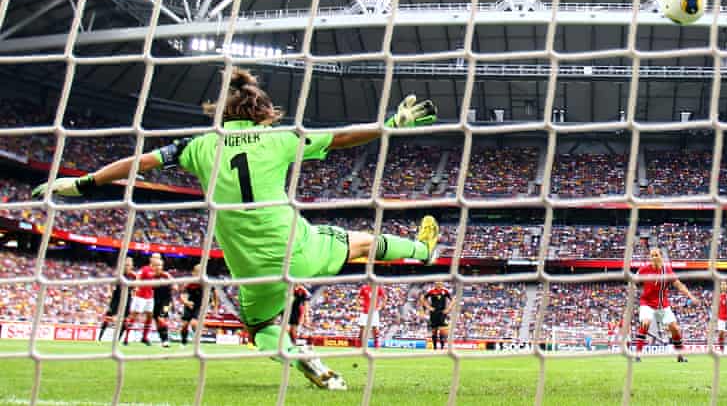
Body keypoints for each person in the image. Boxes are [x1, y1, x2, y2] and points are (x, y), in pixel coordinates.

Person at [33, 68, 440, 391]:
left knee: (261, 328)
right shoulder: (281, 138)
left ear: (221, 114)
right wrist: (390, 124)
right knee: (359, 242)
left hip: (249, 265)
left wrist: (80, 183)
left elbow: (137, 163)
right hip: (294, 245)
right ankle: (424, 252)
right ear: (265, 112)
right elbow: (343, 137)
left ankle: (300, 356)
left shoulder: (197, 147)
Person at [634, 247, 698, 362]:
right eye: (652, 255)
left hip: (663, 305)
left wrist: (691, 296)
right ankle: (637, 354)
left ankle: (680, 355)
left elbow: (679, 285)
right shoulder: (644, 269)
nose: (654, 257)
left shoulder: (667, 270)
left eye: (656, 255)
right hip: (647, 303)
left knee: (675, 328)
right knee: (646, 323)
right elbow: (634, 280)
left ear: (661, 256)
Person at [98, 257, 135, 344]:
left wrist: (133, 294)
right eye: (126, 264)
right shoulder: (119, 274)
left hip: (127, 298)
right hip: (116, 297)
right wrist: (109, 292)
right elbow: (111, 284)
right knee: (109, 315)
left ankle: (118, 339)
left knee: (126, 319)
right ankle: (100, 337)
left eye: (129, 265)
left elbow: (135, 287)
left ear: (131, 266)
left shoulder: (134, 276)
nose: (127, 266)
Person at [180, 264, 218, 347]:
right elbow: (182, 295)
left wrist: (215, 306)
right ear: (193, 273)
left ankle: (197, 340)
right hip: (190, 305)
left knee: (194, 323)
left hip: (201, 306)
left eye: (201, 271)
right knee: (184, 326)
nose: (199, 273)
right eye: (197, 271)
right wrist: (186, 302)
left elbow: (215, 293)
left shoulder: (207, 282)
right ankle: (183, 341)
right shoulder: (189, 283)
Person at [131, 254, 162, 346]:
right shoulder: (145, 269)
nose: (157, 260)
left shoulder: (158, 271)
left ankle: (144, 338)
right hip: (140, 296)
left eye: (158, 258)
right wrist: (136, 287)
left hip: (150, 297)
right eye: (155, 258)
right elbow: (137, 278)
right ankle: (125, 337)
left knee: (149, 316)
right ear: (151, 259)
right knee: (134, 315)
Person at [419, 281, 452, 350]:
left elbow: (453, 300)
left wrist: (448, 308)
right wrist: (428, 307)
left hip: (442, 313)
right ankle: (435, 347)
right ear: (435, 285)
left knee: (442, 331)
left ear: (442, 284)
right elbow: (423, 299)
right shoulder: (431, 291)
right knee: (434, 331)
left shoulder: (445, 291)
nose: (439, 285)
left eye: (440, 284)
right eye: (437, 284)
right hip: (433, 313)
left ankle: (442, 347)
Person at [151, 255, 175, 348]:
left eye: (159, 265)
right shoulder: (151, 277)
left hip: (166, 302)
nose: (158, 267)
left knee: (161, 319)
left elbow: (174, 285)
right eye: (156, 265)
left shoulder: (166, 275)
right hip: (155, 302)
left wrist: (173, 286)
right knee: (157, 322)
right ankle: (163, 340)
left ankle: (167, 339)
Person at [358, 283, 386, 349]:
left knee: (375, 328)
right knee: (362, 328)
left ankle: (376, 344)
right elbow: (358, 297)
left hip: (374, 312)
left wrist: (381, 307)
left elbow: (384, 297)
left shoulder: (378, 288)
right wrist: (359, 306)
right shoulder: (364, 288)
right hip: (365, 312)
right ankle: (359, 344)